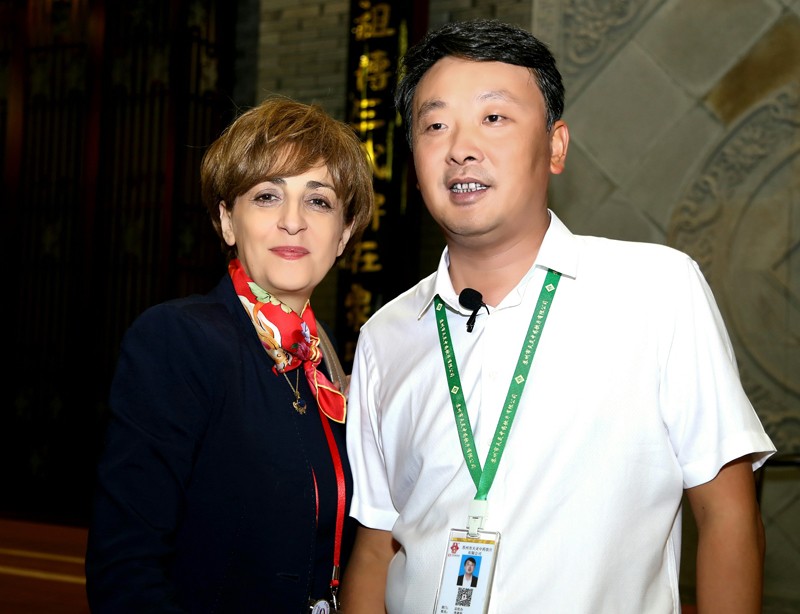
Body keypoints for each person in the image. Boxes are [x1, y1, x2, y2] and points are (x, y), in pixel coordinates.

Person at [341, 18, 775, 614]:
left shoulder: (656, 291)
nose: (460, 147)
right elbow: (375, 549)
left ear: (555, 146)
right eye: (435, 125)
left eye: (494, 117)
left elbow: (726, 512)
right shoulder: (386, 336)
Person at [85, 95, 374, 612]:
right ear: (226, 221)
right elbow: (126, 568)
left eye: (319, 201)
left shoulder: (324, 355)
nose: (292, 221)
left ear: (344, 233)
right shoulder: (180, 339)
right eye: (266, 196)